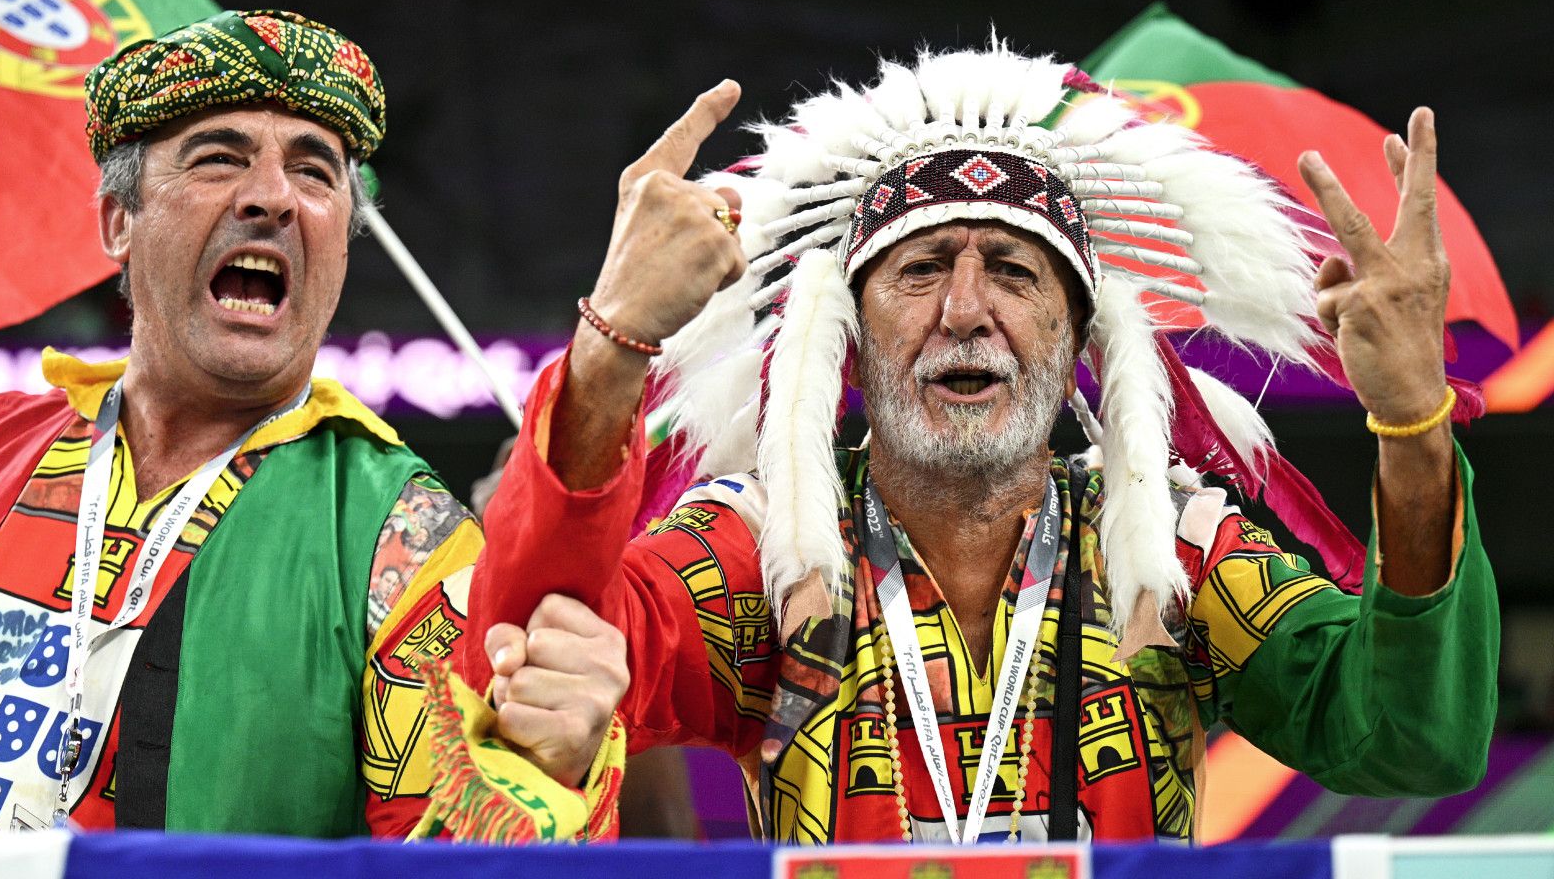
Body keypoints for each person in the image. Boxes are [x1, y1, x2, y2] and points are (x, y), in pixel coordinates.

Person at [466, 46, 1499, 842]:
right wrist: (613, 344)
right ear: (852, 345)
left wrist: (1411, 428)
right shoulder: (764, 548)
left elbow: (1415, 735)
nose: (965, 309)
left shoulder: (1170, 549)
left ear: (1074, 336)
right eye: (919, 271)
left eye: (1012, 270)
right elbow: (527, 649)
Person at [0, 9, 626, 838]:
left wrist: (558, 764)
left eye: (317, 172)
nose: (273, 199)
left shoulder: (396, 540)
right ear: (117, 222)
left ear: (340, 248)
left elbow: (454, 843)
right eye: (219, 157)